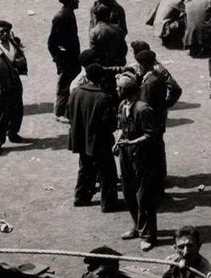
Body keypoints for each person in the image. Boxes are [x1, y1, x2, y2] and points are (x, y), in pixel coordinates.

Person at [115, 71, 164, 252]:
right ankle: (137, 226)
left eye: (119, 87)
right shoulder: (122, 105)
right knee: (128, 192)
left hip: (143, 158)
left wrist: (132, 142)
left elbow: (151, 135)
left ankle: (148, 235)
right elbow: (121, 127)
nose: (116, 89)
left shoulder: (143, 109)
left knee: (144, 197)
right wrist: (118, 141)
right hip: (126, 155)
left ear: (126, 90)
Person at [69, 63, 120, 212]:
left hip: (80, 139)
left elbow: (68, 113)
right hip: (99, 141)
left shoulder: (76, 92)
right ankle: (108, 203)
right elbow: (110, 124)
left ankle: (81, 197)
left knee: (85, 168)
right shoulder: (102, 97)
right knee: (107, 172)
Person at [0, 21, 28, 154]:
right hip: (1, 86)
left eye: (7, 31)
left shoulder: (12, 42)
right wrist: (1, 86)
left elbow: (19, 57)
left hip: (14, 81)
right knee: (0, 115)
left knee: (17, 110)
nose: (5, 34)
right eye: (1, 31)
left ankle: (13, 134)